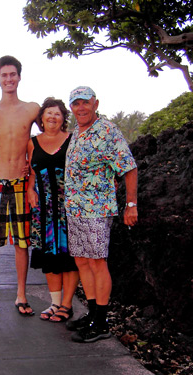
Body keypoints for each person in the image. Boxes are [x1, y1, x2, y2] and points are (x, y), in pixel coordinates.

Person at [64, 86, 138, 342]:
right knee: (82, 261)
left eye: (85, 103)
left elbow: (128, 168)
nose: (81, 108)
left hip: (96, 210)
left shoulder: (106, 131)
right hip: (75, 209)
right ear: (71, 107)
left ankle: (102, 323)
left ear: (96, 103)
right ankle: (93, 313)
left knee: (97, 263)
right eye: (76, 104)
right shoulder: (77, 131)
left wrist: (131, 204)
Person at [0, 56, 40, 316]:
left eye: (12, 74)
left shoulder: (32, 109)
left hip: (21, 182)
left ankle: (21, 294)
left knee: (22, 243)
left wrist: (33, 168)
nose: (8, 79)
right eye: (4, 75)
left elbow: (48, 137)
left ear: (19, 76)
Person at [27, 97, 80, 322]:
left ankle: (66, 305)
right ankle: (54, 303)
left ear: (63, 118)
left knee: (69, 256)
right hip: (43, 210)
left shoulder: (72, 140)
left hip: (68, 207)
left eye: (57, 113)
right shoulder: (33, 142)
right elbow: (30, 171)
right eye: (48, 113)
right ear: (41, 118)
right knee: (49, 256)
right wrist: (30, 189)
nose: (52, 117)